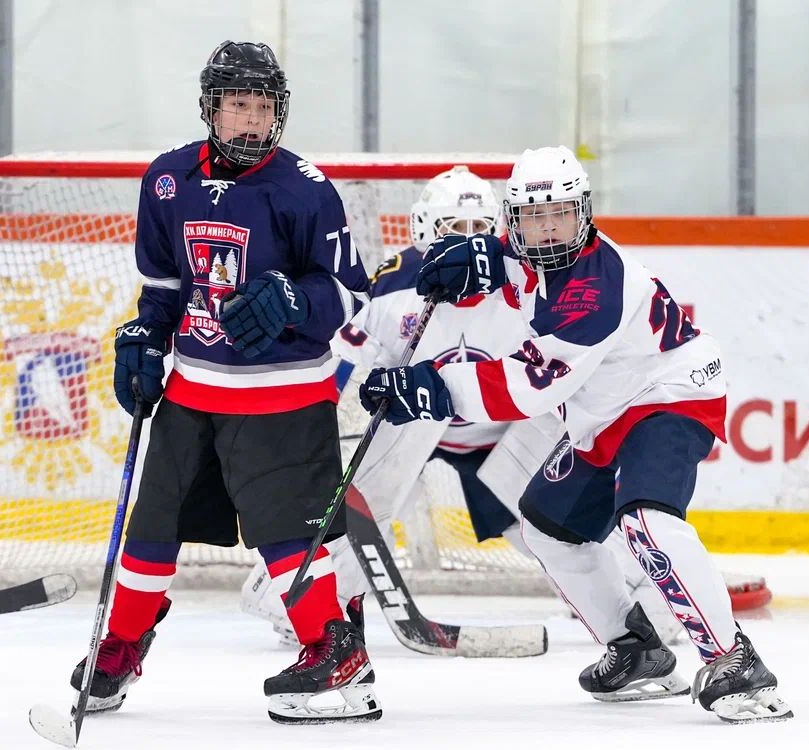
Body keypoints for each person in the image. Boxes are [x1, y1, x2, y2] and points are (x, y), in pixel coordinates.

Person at [359, 146, 792, 723]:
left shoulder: (595, 290)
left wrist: (430, 385)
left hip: (668, 395)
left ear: (583, 212)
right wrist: (480, 256)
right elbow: (514, 261)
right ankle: (636, 650)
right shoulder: (527, 250)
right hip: (603, 411)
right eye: (532, 217)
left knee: (646, 521)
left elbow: (528, 386)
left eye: (558, 213)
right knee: (547, 524)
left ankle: (735, 660)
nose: (547, 228)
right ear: (515, 220)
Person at [241, 166, 691, 648]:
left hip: (501, 429)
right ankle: (300, 599)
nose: (469, 240)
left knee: (554, 520)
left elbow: (555, 371)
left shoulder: (526, 284)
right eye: (455, 229)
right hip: (412, 423)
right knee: (363, 499)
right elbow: (347, 369)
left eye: (481, 228)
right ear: (424, 231)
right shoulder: (392, 291)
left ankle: (646, 599)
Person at [70, 41, 378, 725]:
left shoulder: (306, 189)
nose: (251, 121)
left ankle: (337, 651)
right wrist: (146, 337)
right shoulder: (167, 181)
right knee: (150, 527)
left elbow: (355, 298)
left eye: (263, 107)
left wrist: (299, 301)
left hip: (286, 395)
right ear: (212, 107)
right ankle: (122, 644)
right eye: (238, 104)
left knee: (288, 537)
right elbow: (163, 292)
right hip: (194, 389)